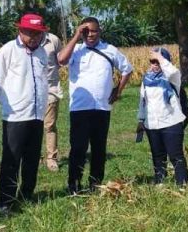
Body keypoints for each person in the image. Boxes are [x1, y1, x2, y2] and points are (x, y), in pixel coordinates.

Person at [57, 17, 133, 194]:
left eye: (94, 31)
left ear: (100, 31)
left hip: (102, 108)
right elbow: (61, 59)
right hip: (79, 108)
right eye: (86, 31)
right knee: (78, 148)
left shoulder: (110, 50)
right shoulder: (76, 50)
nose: (90, 34)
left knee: (99, 148)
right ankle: (74, 185)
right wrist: (76, 36)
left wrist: (118, 90)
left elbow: (127, 69)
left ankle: (95, 184)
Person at [0, 14, 50, 213]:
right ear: (20, 31)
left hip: (36, 114)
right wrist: (10, 105)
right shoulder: (7, 51)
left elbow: (44, 81)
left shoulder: (42, 53)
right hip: (15, 115)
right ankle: (5, 202)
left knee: (32, 158)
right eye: (29, 32)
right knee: (11, 159)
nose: (33, 37)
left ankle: (26, 195)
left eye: (38, 33)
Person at [136, 47, 188, 187]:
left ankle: (182, 182)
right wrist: (141, 120)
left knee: (175, 155)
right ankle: (160, 180)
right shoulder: (146, 79)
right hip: (152, 123)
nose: (155, 64)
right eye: (152, 61)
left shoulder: (172, 78)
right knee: (157, 155)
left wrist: (161, 58)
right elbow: (143, 101)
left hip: (171, 121)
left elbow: (173, 71)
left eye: (158, 61)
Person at [40, 32, 63, 172]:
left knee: (49, 125)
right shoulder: (27, 41)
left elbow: (61, 60)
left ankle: (51, 159)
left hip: (50, 89)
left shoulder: (53, 40)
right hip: (30, 90)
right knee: (32, 125)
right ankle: (34, 155)